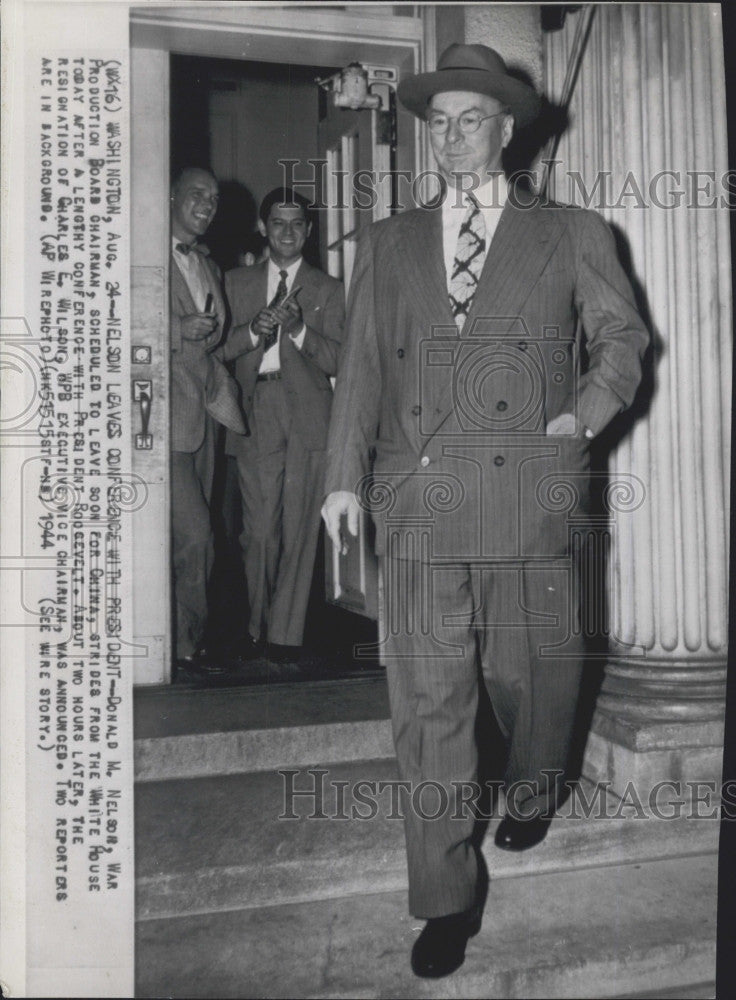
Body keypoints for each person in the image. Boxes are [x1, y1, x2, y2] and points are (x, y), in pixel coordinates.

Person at [321, 44, 648, 979]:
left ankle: (538, 783)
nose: (454, 137)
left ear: (507, 130)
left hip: (526, 492)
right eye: (440, 121)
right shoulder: (387, 241)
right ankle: (445, 897)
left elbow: (622, 342)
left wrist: (578, 419)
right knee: (430, 707)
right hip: (417, 498)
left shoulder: (573, 233)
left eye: (472, 120)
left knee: (532, 678)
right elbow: (362, 375)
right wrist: (342, 478)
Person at [222, 187, 344, 659]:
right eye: (278, 222)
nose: (288, 232)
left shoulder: (328, 289)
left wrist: (299, 331)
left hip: (311, 414)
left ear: (309, 232)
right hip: (258, 411)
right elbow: (220, 349)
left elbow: (342, 359)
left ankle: (283, 636)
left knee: (298, 529)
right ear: (263, 227)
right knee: (259, 532)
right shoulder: (234, 283)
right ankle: (256, 626)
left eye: (297, 224)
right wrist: (255, 329)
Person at [169, 166, 247, 674]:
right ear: (173, 197)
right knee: (195, 534)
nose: (207, 204)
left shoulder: (210, 267)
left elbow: (216, 341)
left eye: (214, 198)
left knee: (201, 537)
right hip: (160, 417)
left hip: (206, 420)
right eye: (197, 194)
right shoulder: (141, 255)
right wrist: (178, 327)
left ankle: (184, 644)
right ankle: (177, 645)